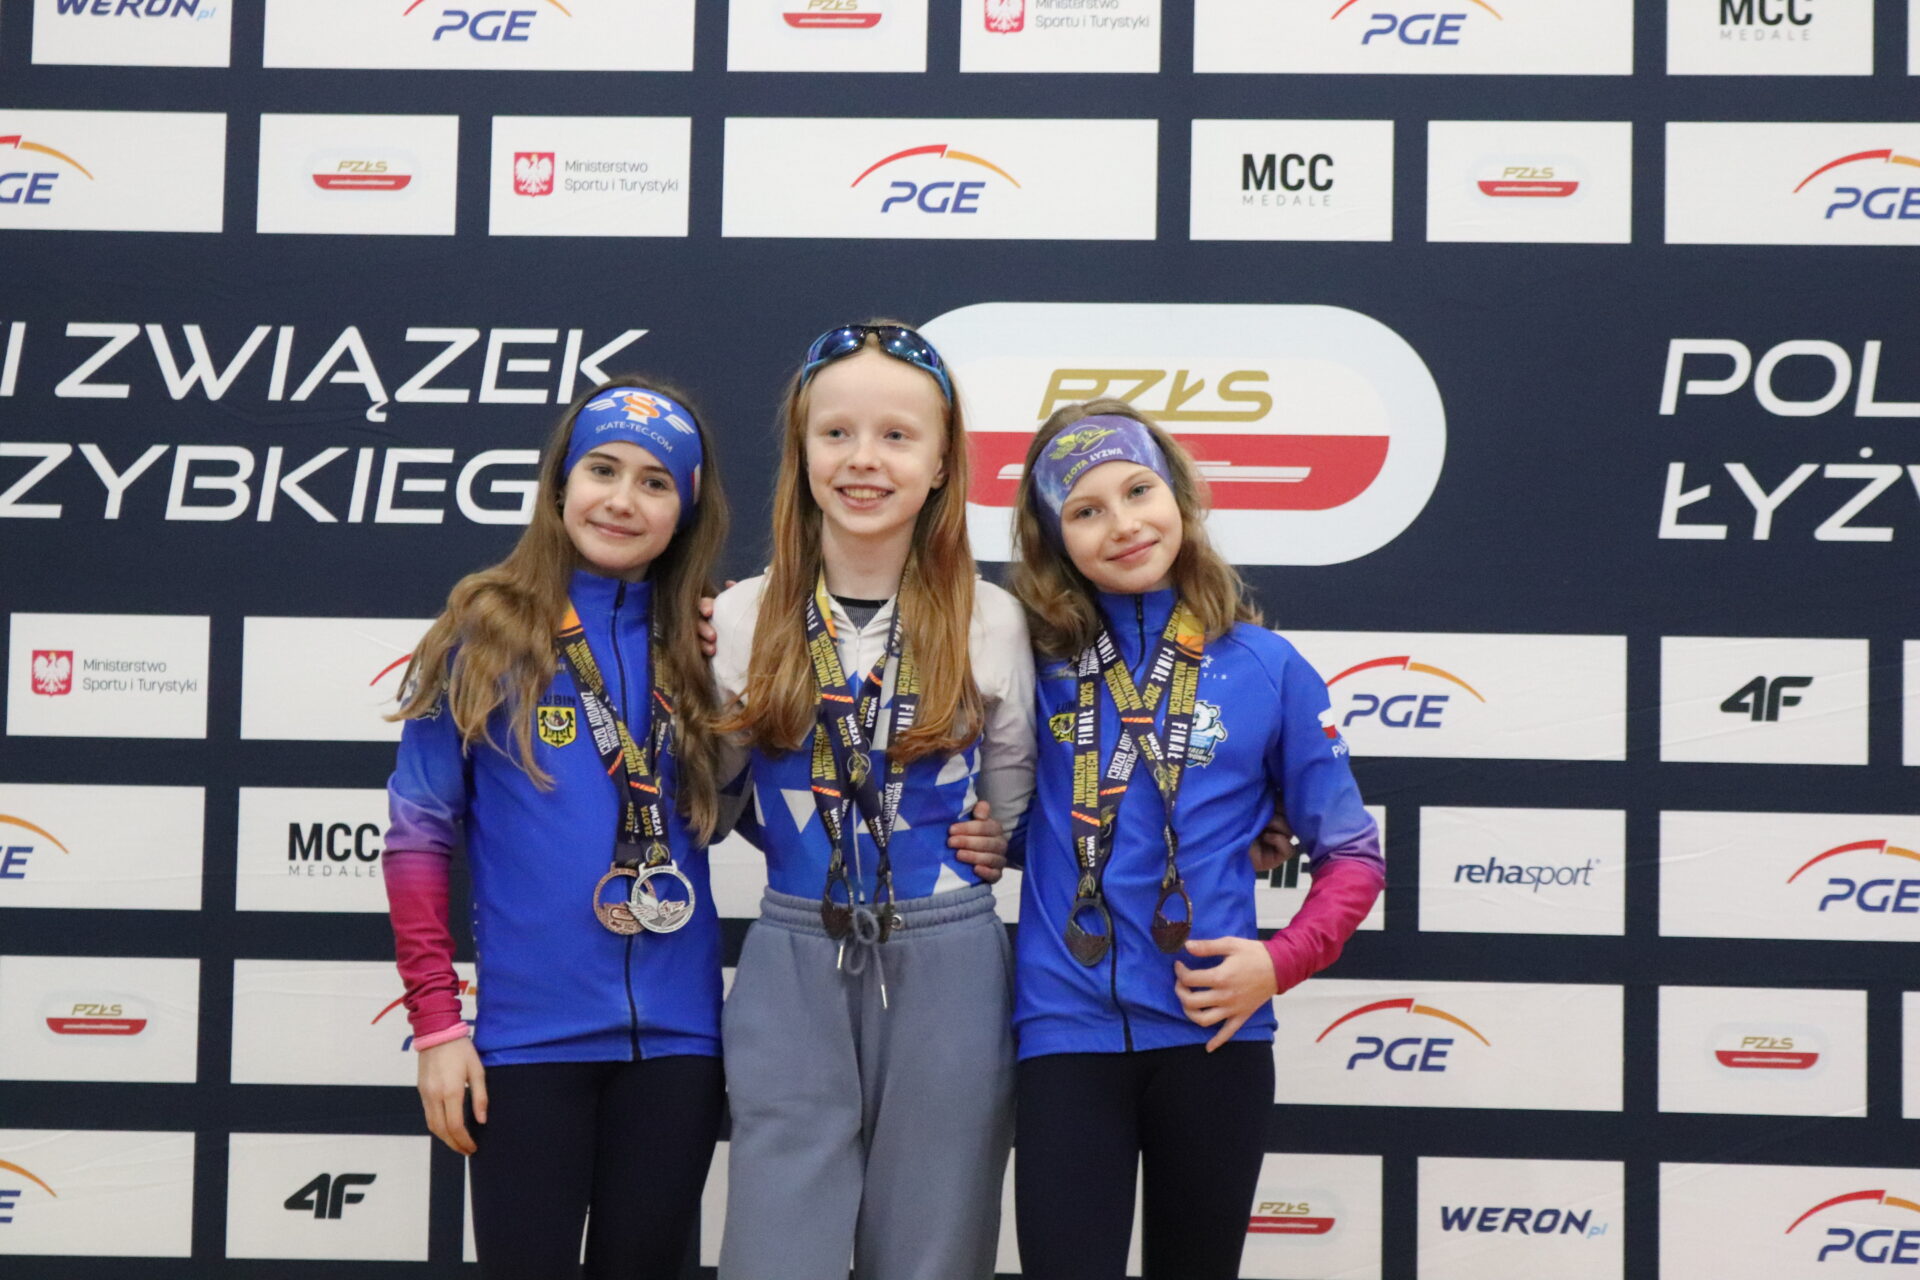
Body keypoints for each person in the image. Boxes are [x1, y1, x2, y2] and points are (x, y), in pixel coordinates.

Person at [1006, 398, 1385, 1280]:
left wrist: (1278, 963)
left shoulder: (1267, 665)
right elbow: (1026, 820)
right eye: (1086, 509)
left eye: (1139, 490)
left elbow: (1353, 856)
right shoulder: (1025, 660)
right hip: (1064, 1033)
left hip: (1215, 1035)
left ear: (1179, 494)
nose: (1123, 524)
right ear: (1054, 539)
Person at [381, 380, 730, 1279]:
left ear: (686, 510)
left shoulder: (710, 641)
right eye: (602, 470)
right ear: (560, 483)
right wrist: (436, 1027)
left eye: (655, 482)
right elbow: (418, 838)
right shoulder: (484, 631)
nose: (622, 500)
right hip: (526, 1045)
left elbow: (767, 811)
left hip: (679, 1048)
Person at [710, 322, 1036, 1280]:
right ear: (801, 453)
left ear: (941, 464)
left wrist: (989, 839)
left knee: (936, 1249)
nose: (864, 459)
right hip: (793, 951)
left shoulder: (993, 620)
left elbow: (1009, 801)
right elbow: (716, 803)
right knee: (776, 1252)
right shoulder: (739, 615)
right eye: (836, 433)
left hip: (949, 956)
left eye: (897, 436)